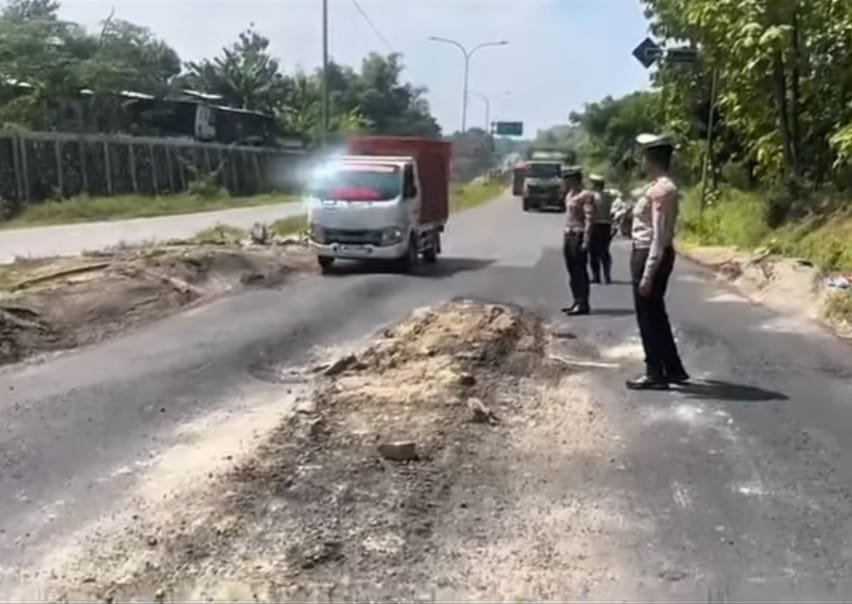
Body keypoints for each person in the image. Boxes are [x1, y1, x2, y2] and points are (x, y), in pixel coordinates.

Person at [626, 133, 690, 390]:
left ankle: (655, 372)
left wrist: (648, 274)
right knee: (656, 313)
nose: (643, 163)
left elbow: (659, 235)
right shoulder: (657, 186)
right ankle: (673, 368)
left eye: (645, 158)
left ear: (652, 159)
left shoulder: (662, 190)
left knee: (648, 316)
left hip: (649, 254)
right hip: (649, 252)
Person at [561, 166, 594, 315]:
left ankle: (583, 303)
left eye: (568, 179)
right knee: (571, 270)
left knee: (580, 270)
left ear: (575, 180)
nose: (565, 182)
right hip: (569, 234)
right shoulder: (569, 195)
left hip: (578, 234)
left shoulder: (585, 195)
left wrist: (586, 239)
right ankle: (576, 300)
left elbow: (589, 219)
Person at [587, 174, 613, 284]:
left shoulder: (592, 196)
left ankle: (596, 276)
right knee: (604, 251)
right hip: (607, 225)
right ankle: (607, 275)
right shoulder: (608, 196)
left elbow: (591, 212)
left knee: (593, 252)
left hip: (596, 225)